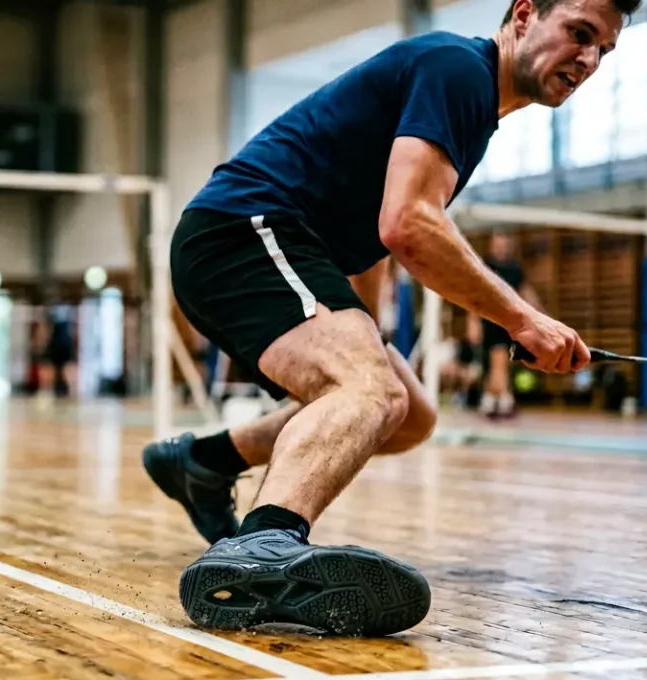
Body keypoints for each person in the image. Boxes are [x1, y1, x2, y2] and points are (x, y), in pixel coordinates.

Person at [143, 0, 622, 637]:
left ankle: (205, 460)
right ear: (525, 15)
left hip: (286, 247)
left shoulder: (474, 107)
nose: (587, 59)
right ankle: (260, 546)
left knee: (405, 412)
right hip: (244, 232)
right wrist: (524, 319)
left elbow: (371, 232)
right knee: (366, 390)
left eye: (603, 51)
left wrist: (364, 331)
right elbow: (408, 225)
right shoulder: (456, 70)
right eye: (580, 34)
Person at [478, 232, 543, 419]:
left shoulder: (515, 269)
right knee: (498, 360)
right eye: (496, 243)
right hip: (490, 319)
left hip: (509, 322)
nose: (500, 247)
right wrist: (473, 321)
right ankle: (504, 401)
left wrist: (540, 314)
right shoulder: (485, 265)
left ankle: (491, 400)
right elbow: (476, 295)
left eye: (503, 243)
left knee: (502, 361)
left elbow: (525, 291)